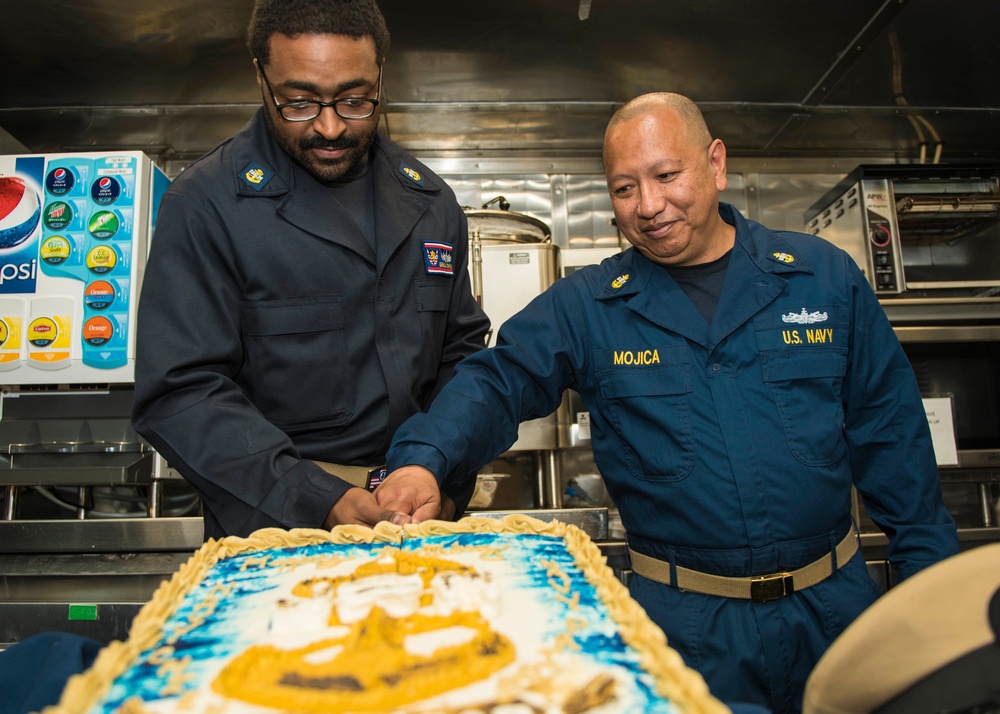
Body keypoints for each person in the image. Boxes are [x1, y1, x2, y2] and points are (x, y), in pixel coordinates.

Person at [375, 92, 960, 713]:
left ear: (715, 164)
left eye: (666, 176)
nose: (649, 207)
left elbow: (894, 442)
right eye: (624, 189)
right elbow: (495, 381)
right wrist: (423, 459)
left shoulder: (822, 277)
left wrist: (932, 605)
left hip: (836, 615)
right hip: (683, 634)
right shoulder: (590, 305)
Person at [130, 0, 489, 540]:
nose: (329, 126)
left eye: (355, 100)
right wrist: (322, 500)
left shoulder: (431, 201)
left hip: (421, 522)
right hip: (275, 531)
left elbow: (461, 355)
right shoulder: (207, 203)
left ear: (380, 77)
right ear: (260, 76)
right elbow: (181, 392)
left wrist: (436, 466)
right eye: (298, 102)